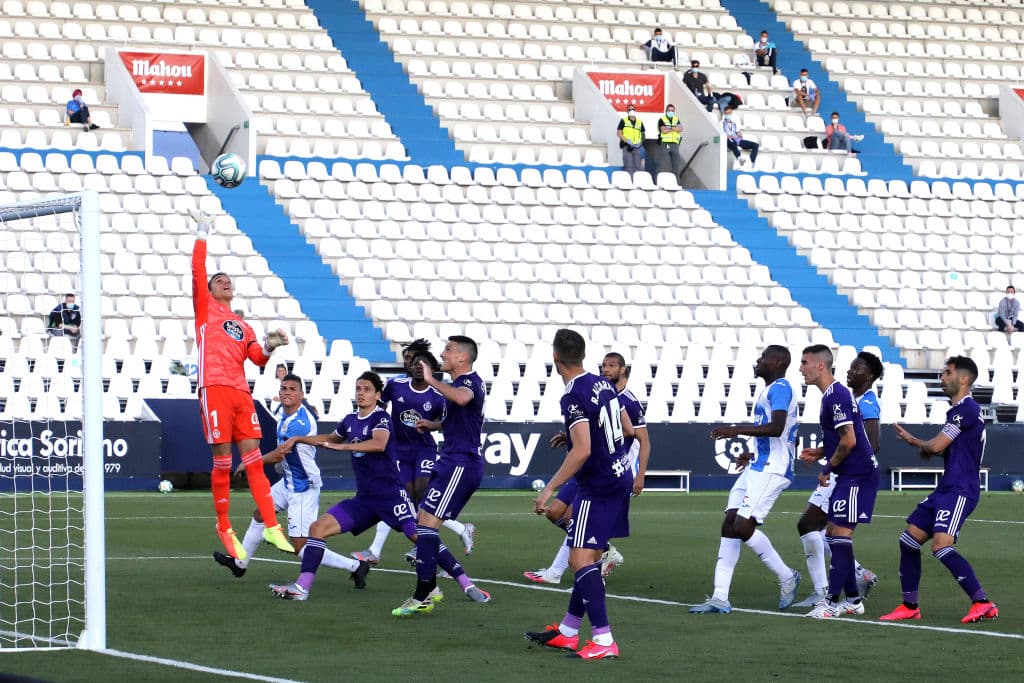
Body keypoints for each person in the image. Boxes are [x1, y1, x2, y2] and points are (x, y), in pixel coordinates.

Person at [190, 210, 294, 560]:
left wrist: (271, 345)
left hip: (240, 392)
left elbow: (258, 358)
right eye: (218, 280)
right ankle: (223, 523)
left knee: (253, 460)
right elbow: (197, 272)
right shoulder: (205, 310)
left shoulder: (242, 325)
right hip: (214, 387)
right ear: (209, 290)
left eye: (228, 279)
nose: (225, 282)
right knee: (223, 459)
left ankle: (272, 525)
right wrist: (202, 234)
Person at [525, 330, 634, 660]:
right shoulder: (602, 384)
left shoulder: (572, 394)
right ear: (584, 356)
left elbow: (583, 449)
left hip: (597, 484)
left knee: (580, 561)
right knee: (586, 557)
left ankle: (604, 640)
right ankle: (569, 631)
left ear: (556, 357)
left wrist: (549, 487)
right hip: (618, 474)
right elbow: (621, 430)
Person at [268, 372, 412, 599]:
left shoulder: (381, 418)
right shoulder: (350, 420)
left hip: (390, 495)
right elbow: (330, 439)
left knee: (421, 537)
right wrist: (299, 439)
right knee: (317, 529)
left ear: (377, 394)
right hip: (364, 499)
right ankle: (302, 588)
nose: (361, 393)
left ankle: (449, 580)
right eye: (358, 389)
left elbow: (379, 444)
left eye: (366, 389)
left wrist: (343, 448)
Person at [881, 356, 998, 624]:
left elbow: (936, 446)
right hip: (946, 488)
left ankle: (982, 602)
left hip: (960, 489)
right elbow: (943, 447)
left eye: (947, 373)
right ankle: (910, 606)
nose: (941, 377)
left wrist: (916, 442)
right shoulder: (959, 412)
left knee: (941, 546)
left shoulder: (966, 409)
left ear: (964, 379)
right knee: (908, 540)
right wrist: (923, 444)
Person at [689, 345, 801, 614]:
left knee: (742, 526)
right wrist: (752, 453)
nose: (758, 360)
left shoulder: (781, 388)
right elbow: (776, 434)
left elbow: (776, 428)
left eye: (763, 357)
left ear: (777, 362)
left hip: (773, 469)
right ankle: (719, 597)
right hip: (759, 464)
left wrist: (734, 430)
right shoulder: (769, 390)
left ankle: (787, 576)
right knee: (730, 522)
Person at [523, 352, 648, 585]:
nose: (606, 369)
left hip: (606, 470)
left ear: (623, 370)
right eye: (604, 365)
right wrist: (573, 438)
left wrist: (639, 474)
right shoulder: (601, 390)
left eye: (612, 366)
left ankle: (561, 571)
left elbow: (639, 436)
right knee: (555, 512)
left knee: (574, 517)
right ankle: (601, 552)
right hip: (588, 465)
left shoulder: (627, 400)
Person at [213, 374, 353, 581]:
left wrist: (250, 462)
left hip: (303, 486)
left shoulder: (299, 422)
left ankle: (355, 566)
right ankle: (239, 563)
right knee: (261, 513)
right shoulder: (284, 413)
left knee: (301, 547)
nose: (287, 391)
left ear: (301, 395)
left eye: (292, 389)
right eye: (284, 388)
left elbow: (280, 453)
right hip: (288, 481)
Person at [392, 335, 491, 616]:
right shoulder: (458, 384)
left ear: (463, 358)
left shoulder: (468, 382)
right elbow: (457, 417)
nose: (443, 354)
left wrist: (431, 378)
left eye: (448, 350)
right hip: (450, 462)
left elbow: (461, 398)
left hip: (461, 465)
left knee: (425, 527)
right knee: (423, 524)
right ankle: (432, 589)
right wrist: (433, 424)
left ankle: (425, 593)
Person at [353, 343, 477, 566]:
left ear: (430, 369)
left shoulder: (439, 394)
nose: (416, 366)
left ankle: (418, 545)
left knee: (422, 494)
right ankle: (455, 531)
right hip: (398, 449)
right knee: (401, 497)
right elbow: (378, 405)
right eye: (412, 362)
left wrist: (432, 424)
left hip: (424, 449)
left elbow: (446, 423)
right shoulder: (396, 385)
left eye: (423, 364)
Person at [792, 351, 883, 608]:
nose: (851, 370)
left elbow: (862, 441)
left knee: (822, 528)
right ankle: (851, 592)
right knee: (828, 531)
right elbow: (847, 437)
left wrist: (830, 466)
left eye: (804, 363)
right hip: (844, 469)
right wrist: (824, 452)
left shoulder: (854, 399)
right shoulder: (837, 396)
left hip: (852, 472)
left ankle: (831, 598)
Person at [616, 106, 645, 178]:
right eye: (630, 109)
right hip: (627, 147)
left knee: (637, 167)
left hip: (637, 147)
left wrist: (640, 143)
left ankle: (637, 183)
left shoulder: (639, 122)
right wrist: (627, 142)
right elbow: (619, 133)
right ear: (627, 111)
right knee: (629, 166)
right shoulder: (624, 120)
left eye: (633, 109)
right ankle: (630, 184)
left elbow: (643, 133)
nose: (631, 110)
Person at [658, 104, 683, 181]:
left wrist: (670, 128)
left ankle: (677, 183)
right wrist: (674, 128)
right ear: (666, 111)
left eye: (672, 111)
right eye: (669, 110)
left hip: (675, 144)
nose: (670, 112)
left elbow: (681, 129)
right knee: (663, 163)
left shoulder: (676, 119)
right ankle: (660, 182)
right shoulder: (662, 119)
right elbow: (663, 130)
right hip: (665, 143)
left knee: (676, 163)